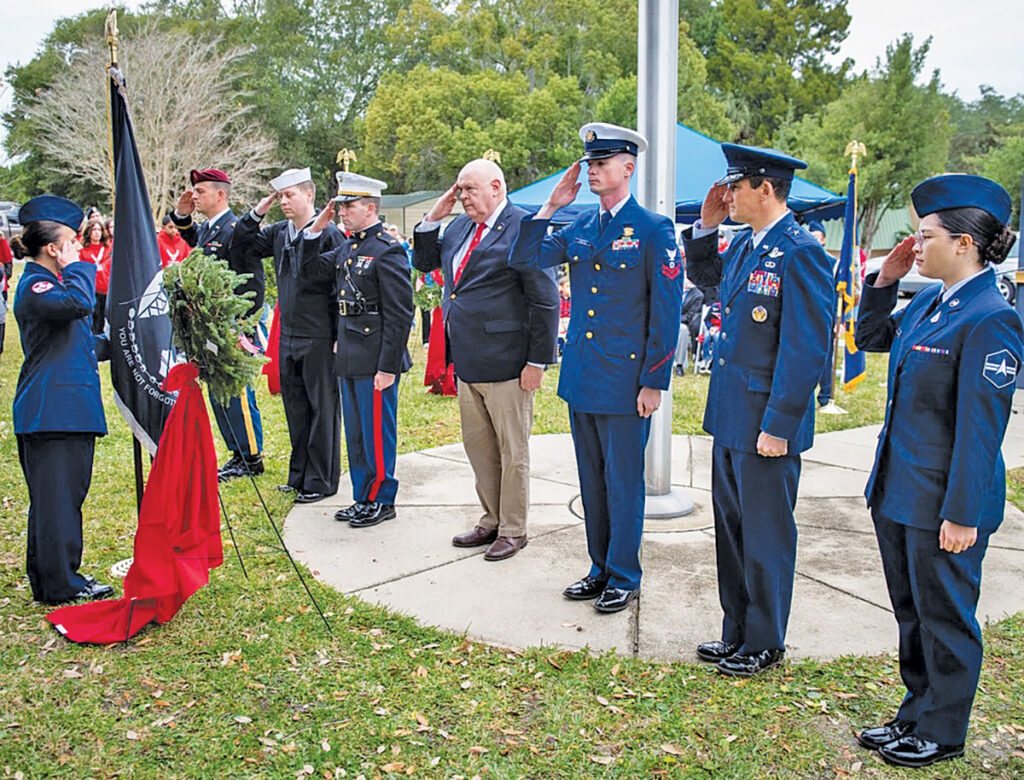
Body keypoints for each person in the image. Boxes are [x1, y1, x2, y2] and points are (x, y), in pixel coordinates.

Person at [852, 175, 1022, 769]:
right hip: (899, 490)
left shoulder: (990, 318)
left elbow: (981, 430)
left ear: (966, 244)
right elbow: (870, 336)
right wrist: (886, 280)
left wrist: (962, 513)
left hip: (944, 502)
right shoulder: (928, 300)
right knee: (911, 611)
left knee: (946, 616)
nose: (915, 245)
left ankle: (944, 729)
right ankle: (915, 711)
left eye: (925, 236)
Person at [510, 123, 683, 612]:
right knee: (591, 480)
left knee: (623, 482)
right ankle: (599, 566)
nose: (592, 171)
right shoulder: (582, 226)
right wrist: (549, 208)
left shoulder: (653, 228)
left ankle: (625, 575)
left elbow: (665, 312)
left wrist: (654, 381)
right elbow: (524, 258)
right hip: (584, 376)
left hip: (627, 382)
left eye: (601, 163)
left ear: (628, 167)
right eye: (589, 164)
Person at [681, 144, 834, 676]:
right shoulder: (750, 244)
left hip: (766, 424)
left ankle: (765, 640)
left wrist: (780, 425)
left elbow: (806, 347)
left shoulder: (800, 250)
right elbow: (711, 284)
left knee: (766, 535)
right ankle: (736, 630)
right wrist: (704, 228)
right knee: (731, 530)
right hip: (731, 414)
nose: (729, 196)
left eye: (736, 187)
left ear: (764, 189)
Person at [413, 158, 558, 561]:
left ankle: (514, 529)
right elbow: (424, 263)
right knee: (479, 447)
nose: (461, 197)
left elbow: (545, 300)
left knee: (513, 452)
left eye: (468, 189)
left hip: (510, 361)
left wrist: (537, 362)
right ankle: (491, 519)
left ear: (497, 186)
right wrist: (432, 219)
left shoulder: (523, 227)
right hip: (469, 359)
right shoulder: (459, 227)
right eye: (458, 190)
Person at [11, 195, 113, 604]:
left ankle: (50, 577)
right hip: (52, 412)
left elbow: (82, 340)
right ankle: (62, 584)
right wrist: (79, 268)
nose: (79, 247)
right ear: (53, 248)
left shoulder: (53, 285)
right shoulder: (38, 284)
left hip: (63, 411)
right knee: (57, 502)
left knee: (60, 499)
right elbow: (79, 304)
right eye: (71, 241)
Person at [305, 172, 414, 528]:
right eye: (339, 206)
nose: (341, 213)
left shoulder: (388, 250)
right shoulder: (349, 248)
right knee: (355, 432)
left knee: (377, 433)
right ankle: (362, 495)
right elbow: (310, 271)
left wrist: (388, 366)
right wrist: (314, 229)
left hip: (375, 357)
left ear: (370, 208)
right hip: (350, 351)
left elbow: (399, 314)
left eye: (348, 206)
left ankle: (382, 497)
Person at [232, 168, 344, 504]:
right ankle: (299, 476)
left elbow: (341, 287)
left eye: (289, 195)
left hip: (321, 335)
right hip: (291, 334)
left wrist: (339, 334)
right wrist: (257, 213)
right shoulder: (281, 232)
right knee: (296, 408)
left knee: (322, 410)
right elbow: (242, 245)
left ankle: (321, 480)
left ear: (309, 195)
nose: (283, 202)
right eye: (279, 196)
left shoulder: (329, 234)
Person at [171, 168, 266, 481]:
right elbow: (192, 239)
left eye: (200, 192)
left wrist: (241, 323)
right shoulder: (211, 228)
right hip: (210, 325)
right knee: (219, 391)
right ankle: (237, 453)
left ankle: (251, 456)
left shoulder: (236, 229)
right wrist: (181, 216)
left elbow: (252, 281)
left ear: (220, 194)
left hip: (233, 326)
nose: (194, 196)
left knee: (238, 392)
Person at [805, 220, 840, 406]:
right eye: (811, 236)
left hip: (825, 315)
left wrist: (838, 319)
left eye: (817, 237)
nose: (814, 241)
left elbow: (838, 293)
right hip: (805, 314)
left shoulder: (833, 263)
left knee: (825, 356)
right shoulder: (802, 257)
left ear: (824, 240)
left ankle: (825, 394)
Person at [78, 219, 111, 334]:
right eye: (94, 229)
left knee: (104, 318)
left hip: (106, 289)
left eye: (99, 230)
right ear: (89, 232)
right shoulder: (83, 251)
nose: (97, 232)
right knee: (94, 319)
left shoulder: (109, 249)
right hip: (91, 290)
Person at [674, 277, 704, 374]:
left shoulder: (698, 295)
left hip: (681, 322)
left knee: (682, 330)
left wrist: (674, 320)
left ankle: (679, 365)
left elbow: (689, 316)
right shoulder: (674, 289)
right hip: (664, 319)